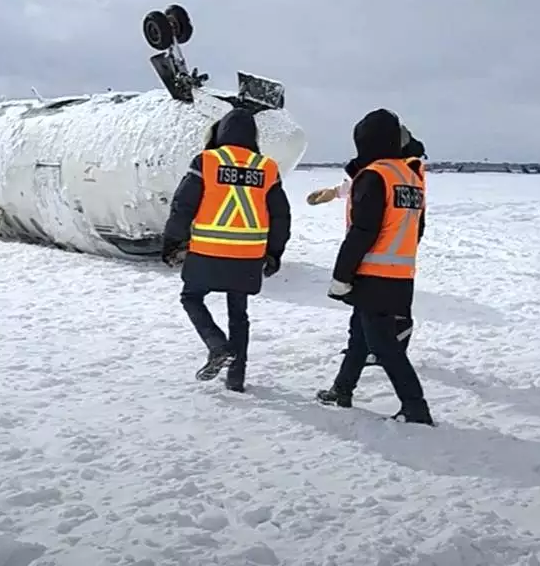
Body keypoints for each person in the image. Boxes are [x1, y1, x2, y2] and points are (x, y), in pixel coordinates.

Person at [161, 107, 292, 392]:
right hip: (248, 256)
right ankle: (236, 378)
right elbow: (280, 215)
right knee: (239, 315)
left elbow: (183, 205)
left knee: (191, 297)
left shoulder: (207, 161)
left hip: (207, 252)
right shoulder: (266, 167)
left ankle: (217, 345)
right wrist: (274, 253)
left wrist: (172, 242)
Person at [316, 109, 433, 425]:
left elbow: (362, 231)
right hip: (400, 273)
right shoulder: (410, 176)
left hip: (373, 273)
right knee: (359, 334)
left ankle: (415, 407)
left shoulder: (374, 175)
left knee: (384, 346)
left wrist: (341, 276)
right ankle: (342, 389)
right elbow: (418, 228)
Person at [308, 125, 427, 369]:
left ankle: (388, 354)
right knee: (363, 313)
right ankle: (360, 355)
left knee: (394, 316)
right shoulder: (391, 168)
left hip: (384, 253)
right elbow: (369, 187)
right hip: (375, 256)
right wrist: (334, 192)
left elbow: (391, 202)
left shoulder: (407, 169)